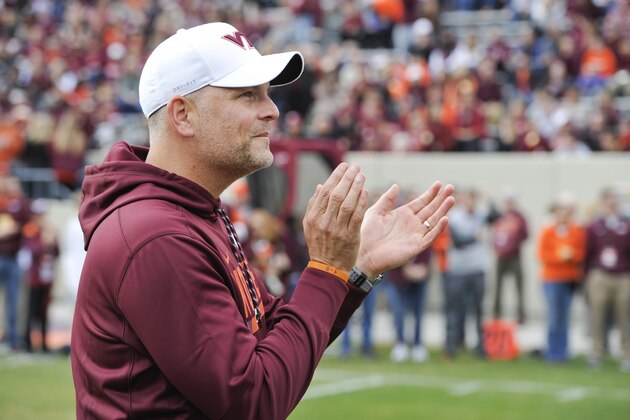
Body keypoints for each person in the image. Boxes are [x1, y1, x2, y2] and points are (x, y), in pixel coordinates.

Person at [70, 22, 454, 419]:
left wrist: (355, 269)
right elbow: (253, 401)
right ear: (182, 115)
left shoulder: (190, 212)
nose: (272, 110)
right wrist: (326, 269)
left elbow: (274, 340)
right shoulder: (156, 235)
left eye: (267, 94)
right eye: (248, 95)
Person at [442, 188, 492, 359]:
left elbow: (498, 215)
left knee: (478, 309)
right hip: (458, 270)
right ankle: (450, 346)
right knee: (454, 310)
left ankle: (481, 347)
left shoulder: (481, 215)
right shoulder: (455, 217)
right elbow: (458, 242)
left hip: (477, 269)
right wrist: (476, 237)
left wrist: (488, 198)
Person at [584, 188, 630, 372]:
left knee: (624, 317)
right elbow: (588, 252)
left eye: (613, 201)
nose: (611, 205)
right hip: (600, 274)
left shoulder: (625, 224)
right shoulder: (595, 226)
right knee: (597, 316)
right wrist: (587, 276)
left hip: (622, 275)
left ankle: (626, 353)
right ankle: (596, 353)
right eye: (607, 201)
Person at [537, 192, 586, 363]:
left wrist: (570, 256)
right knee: (554, 317)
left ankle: (563, 352)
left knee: (564, 316)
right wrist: (560, 257)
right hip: (552, 278)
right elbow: (542, 254)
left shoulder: (576, 229)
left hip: (569, 278)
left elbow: (580, 253)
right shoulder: (548, 229)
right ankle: (553, 352)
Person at [21, 199, 59, 353]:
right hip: (34, 277)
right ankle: (28, 344)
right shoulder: (30, 230)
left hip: (46, 277)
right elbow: (30, 252)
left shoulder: (49, 230)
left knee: (44, 312)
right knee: (31, 311)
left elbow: (57, 251)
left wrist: (51, 242)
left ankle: (44, 344)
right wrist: (44, 243)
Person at [0, 175, 31, 350]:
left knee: (13, 301)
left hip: (13, 257)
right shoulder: (3, 202)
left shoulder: (20, 204)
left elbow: (24, 222)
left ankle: (13, 339)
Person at [386, 247, 432, 363]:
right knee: (398, 312)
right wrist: (406, 268)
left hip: (419, 279)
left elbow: (427, 250)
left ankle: (417, 345)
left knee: (418, 313)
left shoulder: (424, 231)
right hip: (397, 278)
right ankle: (400, 344)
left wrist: (421, 268)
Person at [491, 190, 529, 324]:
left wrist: (513, 244)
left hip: (514, 256)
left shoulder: (519, 217)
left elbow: (525, 234)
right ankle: (496, 313)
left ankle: (520, 315)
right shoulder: (499, 216)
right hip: (501, 256)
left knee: (519, 286)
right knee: (497, 287)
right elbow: (493, 231)